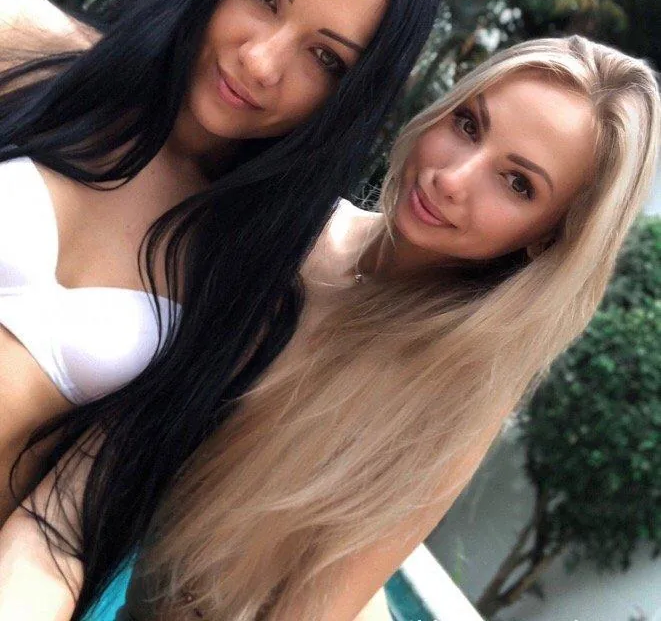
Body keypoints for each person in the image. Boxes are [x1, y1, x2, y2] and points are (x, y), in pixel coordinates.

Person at [2, 35, 658, 621]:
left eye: (516, 183)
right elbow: (82, 488)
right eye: (467, 124)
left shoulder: (449, 401)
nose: (452, 178)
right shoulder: (283, 233)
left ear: (549, 239)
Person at [0, 0, 445, 616]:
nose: (261, 61)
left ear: (352, 99)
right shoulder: (20, 46)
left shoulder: (242, 285)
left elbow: (58, 533)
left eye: (325, 59)